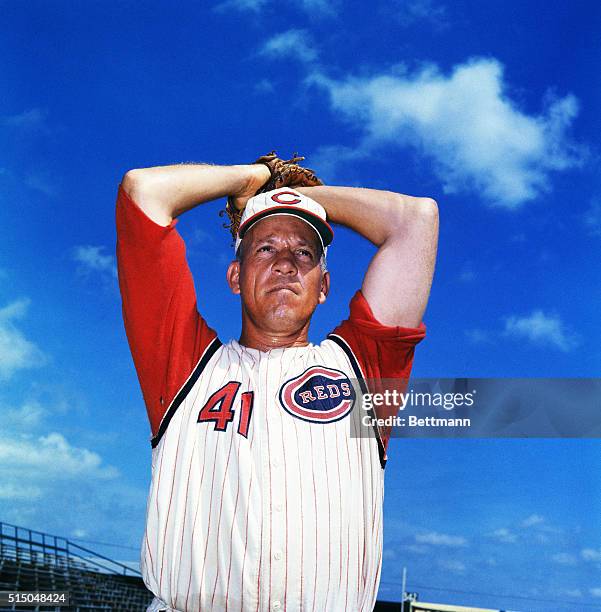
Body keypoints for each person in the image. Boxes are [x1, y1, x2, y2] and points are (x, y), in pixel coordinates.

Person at [116, 158, 438, 612]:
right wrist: (251, 182)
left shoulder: (363, 366)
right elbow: (143, 190)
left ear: (323, 286)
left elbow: (415, 221)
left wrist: (286, 197)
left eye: (304, 253)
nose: (286, 263)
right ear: (235, 276)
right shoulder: (183, 364)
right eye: (265, 249)